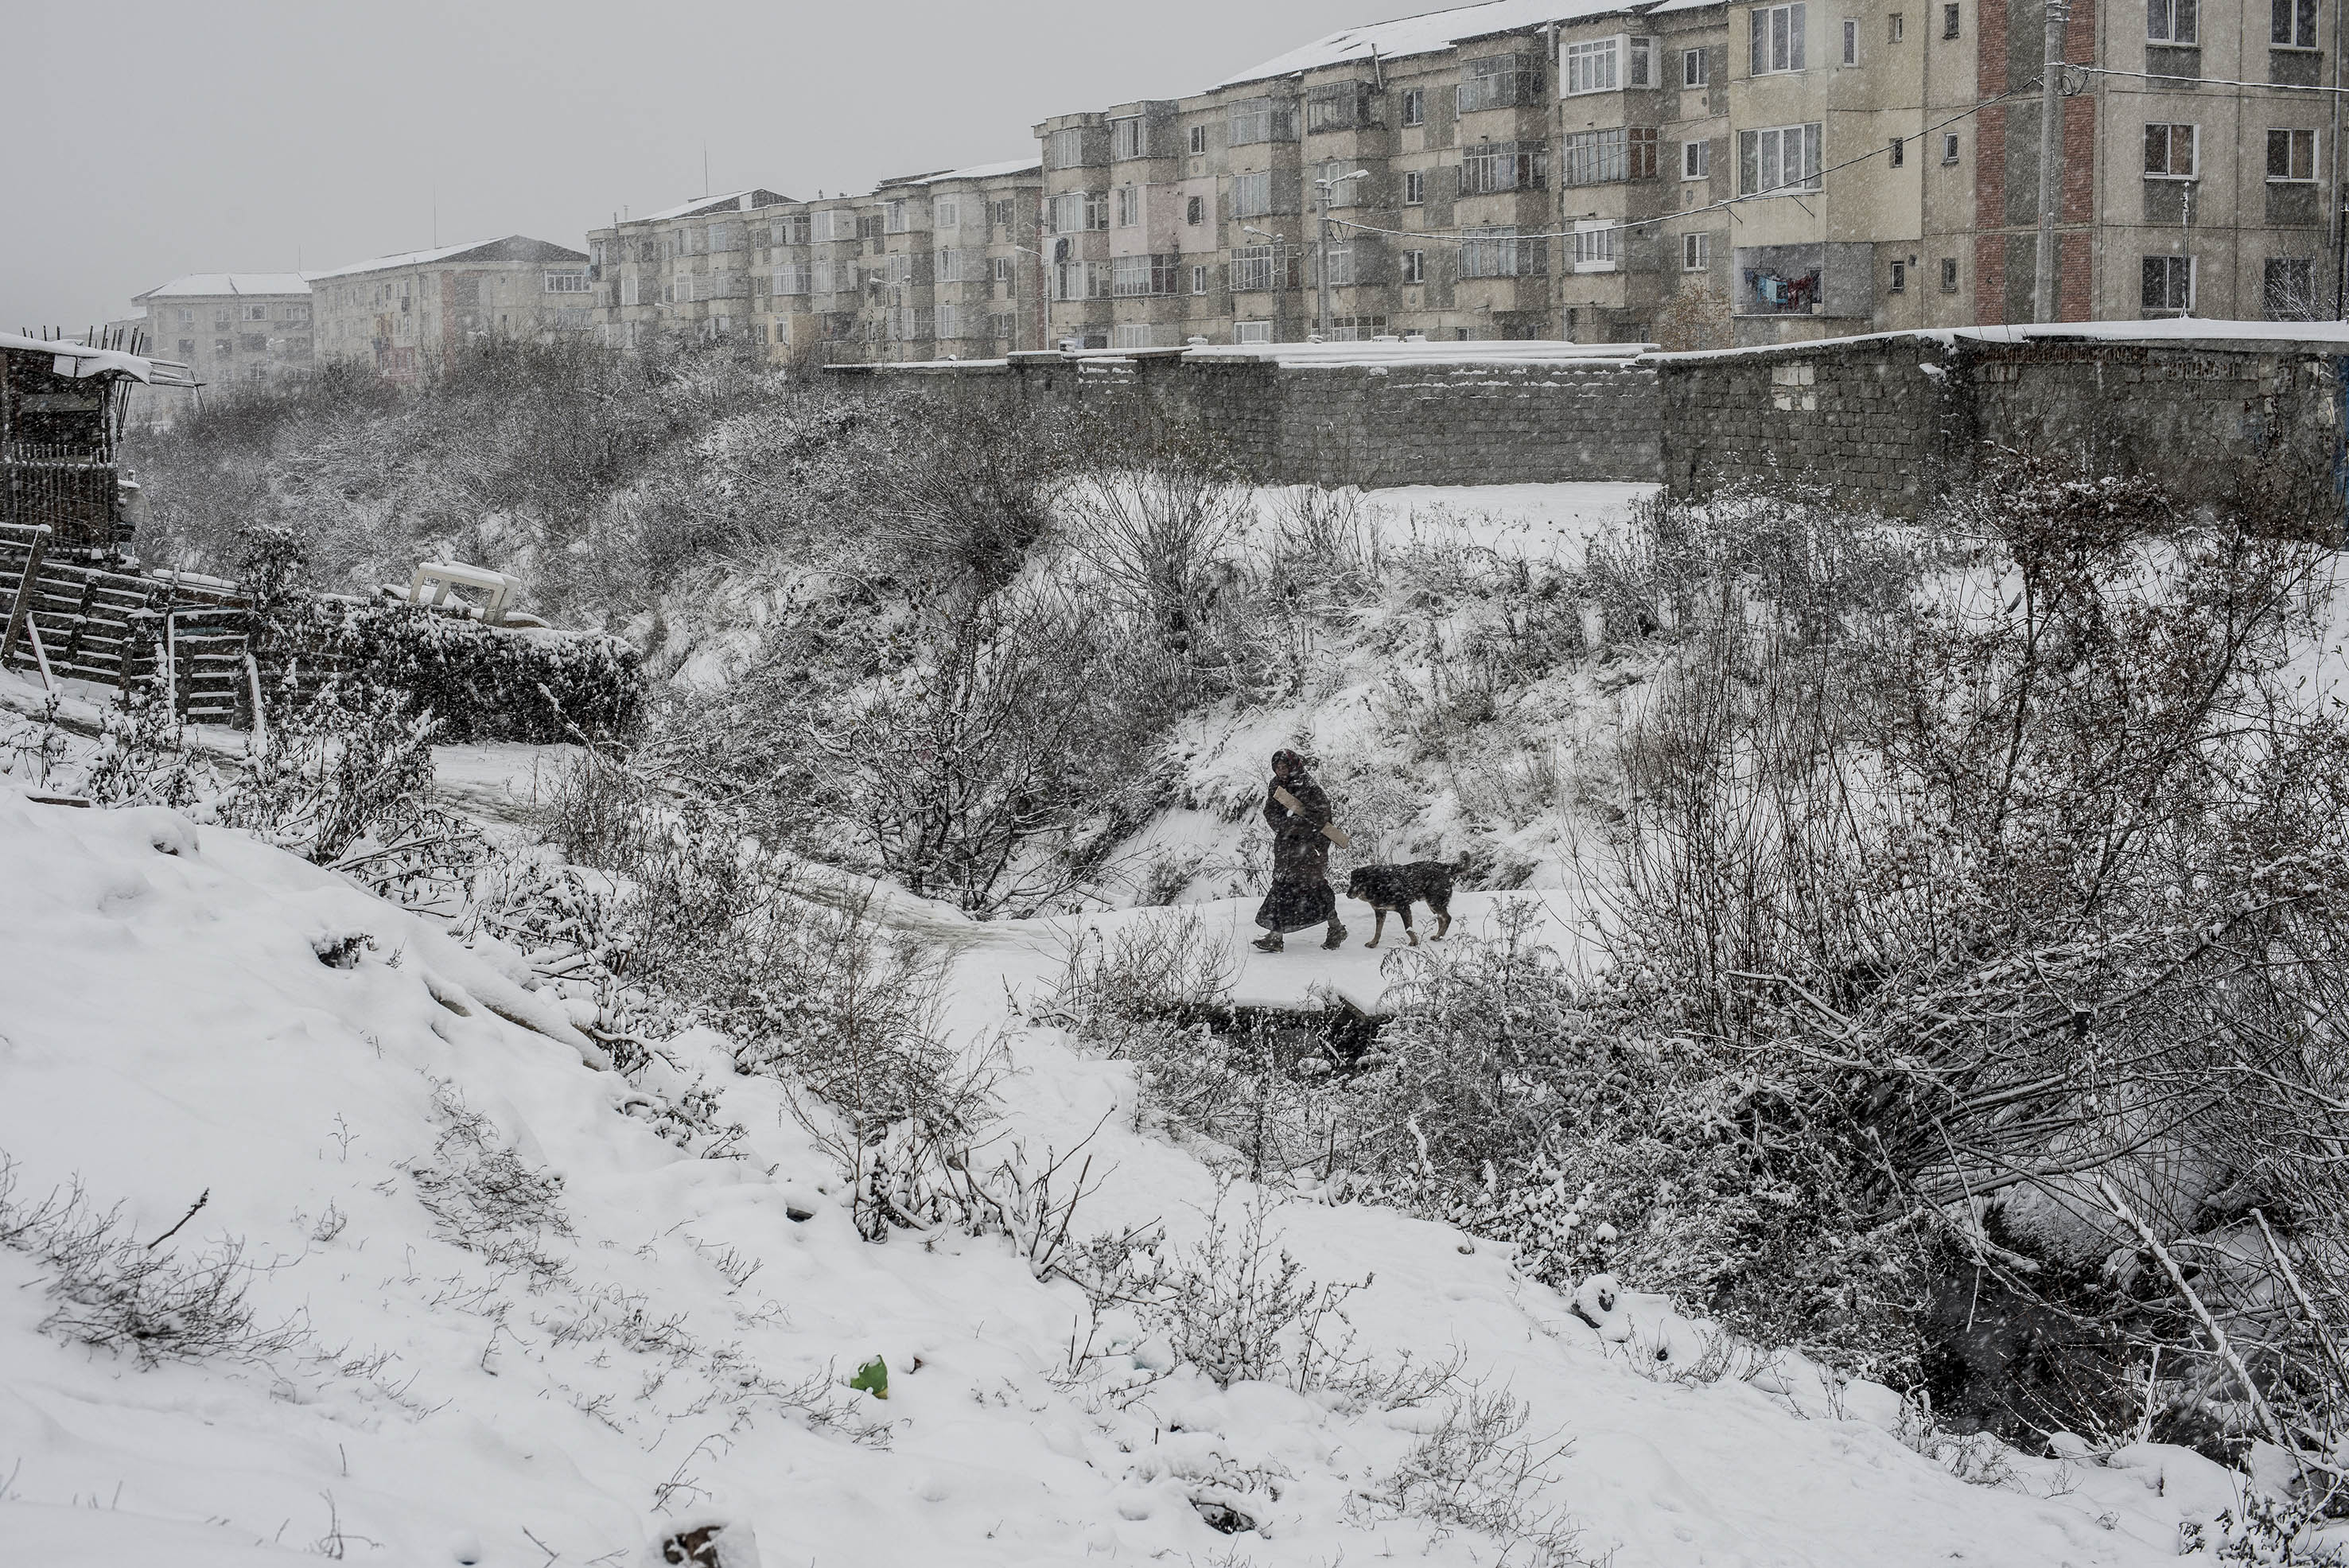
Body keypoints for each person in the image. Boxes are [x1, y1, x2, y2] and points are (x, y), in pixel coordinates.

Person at [1252, 749, 1347, 953]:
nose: (1281, 771)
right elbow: (1270, 812)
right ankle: (1275, 937)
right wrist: (1284, 826)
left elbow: (1321, 815)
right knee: (1281, 888)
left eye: (1284, 767)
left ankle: (1336, 928)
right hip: (1286, 848)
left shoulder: (1309, 786)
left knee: (1316, 888)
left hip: (1309, 848)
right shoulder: (1276, 786)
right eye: (1277, 768)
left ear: (1293, 765)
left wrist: (1297, 826)